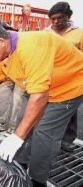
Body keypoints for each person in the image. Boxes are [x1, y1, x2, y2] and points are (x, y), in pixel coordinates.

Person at [0, 22, 83, 186]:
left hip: (67, 88)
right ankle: (19, 165)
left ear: (1, 41)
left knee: (44, 134)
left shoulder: (32, 46)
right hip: (35, 86)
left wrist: (18, 137)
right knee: (22, 125)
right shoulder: (0, 57)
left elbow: (40, 96)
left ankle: (37, 180)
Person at [46, 2, 83, 152]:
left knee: (69, 111)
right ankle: (48, 138)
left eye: (59, 18)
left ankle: (67, 139)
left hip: (72, 81)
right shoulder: (46, 33)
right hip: (50, 79)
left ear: (68, 17)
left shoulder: (79, 33)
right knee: (48, 111)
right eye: (52, 19)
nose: (55, 22)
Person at [0, 20, 25, 135]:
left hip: (21, 75)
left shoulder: (17, 41)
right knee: (2, 95)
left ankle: (14, 127)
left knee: (18, 99)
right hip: (6, 75)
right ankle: (0, 122)